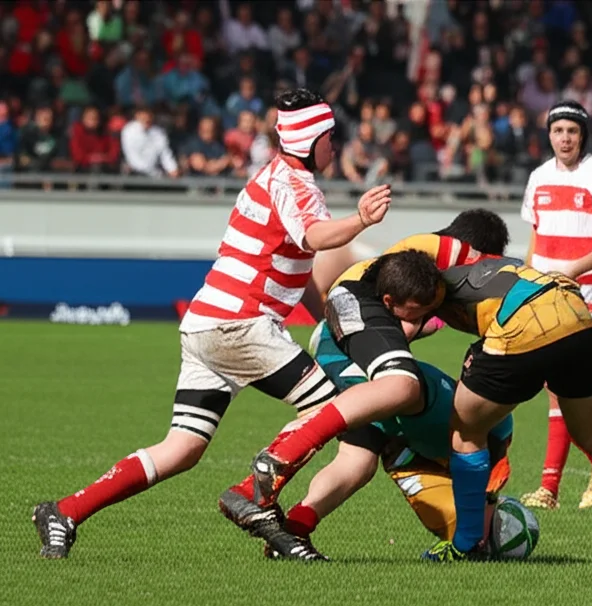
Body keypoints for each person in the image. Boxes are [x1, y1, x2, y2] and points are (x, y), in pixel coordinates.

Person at [31, 88, 392, 559]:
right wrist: (360, 219)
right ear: (309, 140)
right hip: (241, 323)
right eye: (329, 136)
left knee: (181, 448)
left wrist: (322, 307)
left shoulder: (272, 177)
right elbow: (315, 236)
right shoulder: (295, 184)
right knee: (332, 411)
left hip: (206, 324)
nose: (334, 145)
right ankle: (253, 496)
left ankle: (64, 511)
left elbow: (293, 255)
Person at [216, 212, 511, 547]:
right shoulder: (438, 261)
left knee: (359, 460)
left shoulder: (427, 263)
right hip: (348, 327)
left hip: (344, 333)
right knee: (404, 386)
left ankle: (293, 530)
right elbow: (401, 321)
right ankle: (269, 468)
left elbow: (404, 323)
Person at [398, 255, 592, 565]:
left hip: (523, 327)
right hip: (574, 316)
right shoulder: (485, 269)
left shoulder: (435, 289)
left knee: (467, 432)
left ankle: (465, 544)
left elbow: (413, 320)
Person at [265, 319, 514, 561]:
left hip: (344, 342)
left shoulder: (478, 428)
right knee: (369, 440)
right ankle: (263, 483)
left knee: (359, 459)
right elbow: (481, 506)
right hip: (350, 345)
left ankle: (293, 528)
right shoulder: (477, 433)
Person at [519, 99, 592, 512]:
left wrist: (571, 270)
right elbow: (535, 241)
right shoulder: (538, 178)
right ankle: (560, 484)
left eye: (572, 131)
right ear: (548, 135)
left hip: (588, 299)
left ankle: (561, 483)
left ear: (583, 136)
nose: (565, 138)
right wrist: (527, 281)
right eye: (558, 131)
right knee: (554, 390)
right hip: (546, 296)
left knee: (572, 392)